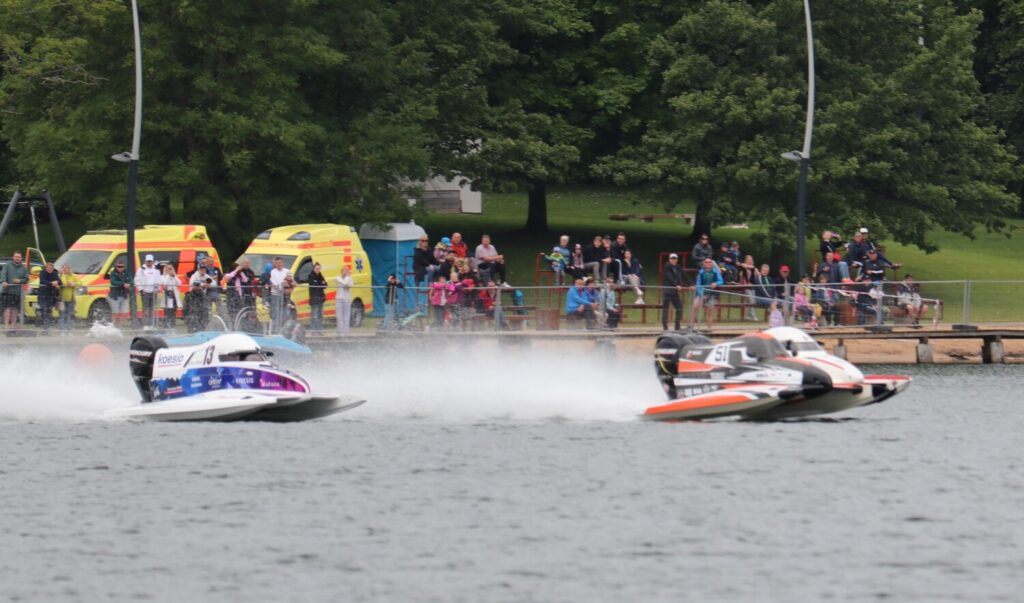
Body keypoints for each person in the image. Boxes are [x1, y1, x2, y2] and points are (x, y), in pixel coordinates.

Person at [690, 257, 723, 331]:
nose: (708, 263)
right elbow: (698, 284)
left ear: (712, 264)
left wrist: (716, 283)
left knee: (709, 311)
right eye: (706, 262)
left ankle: (709, 328)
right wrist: (701, 294)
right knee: (695, 306)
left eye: (709, 262)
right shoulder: (701, 272)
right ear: (704, 264)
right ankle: (691, 326)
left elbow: (721, 280)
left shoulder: (715, 271)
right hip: (701, 293)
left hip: (712, 294)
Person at [224, 258, 257, 329]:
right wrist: (236, 270)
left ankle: (240, 326)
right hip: (231, 294)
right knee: (231, 312)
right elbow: (227, 278)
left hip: (239, 296)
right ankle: (232, 327)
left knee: (239, 311)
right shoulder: (229, 273)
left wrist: (241, 272)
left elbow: (245, 280)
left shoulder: (240, 275)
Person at [1, 252, 28, 328]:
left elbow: (26, 279)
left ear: (21, 258)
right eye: (16, 256)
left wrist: (20, 281)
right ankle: (6, 326)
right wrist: (3, 281)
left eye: (19, 257)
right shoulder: (7, 265)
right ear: (13, 257)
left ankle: (13, 325)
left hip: (18, 292)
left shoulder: (24, 268)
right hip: (7, 291)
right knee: (7, 308)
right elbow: (3, 274)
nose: (17, 258)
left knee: (15, 309)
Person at [661, 253, 687, 331]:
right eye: (672, 258)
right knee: (666, 309)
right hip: (667, 291)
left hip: (675, 292)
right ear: (669, 259)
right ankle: (665, 327)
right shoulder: (666, 267)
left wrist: (691, 284)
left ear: (677, 260)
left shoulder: (678, 267)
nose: (673, 260)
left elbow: (684, 276)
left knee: (679, 308)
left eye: (675, 258)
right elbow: (669, 277)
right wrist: (676, 285)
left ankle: (677, 327)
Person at [135, 254, 161, 327]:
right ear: (145, 261)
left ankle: (152, 324)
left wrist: (157, 289)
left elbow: (159, 280)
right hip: (145, 292)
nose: (149, 263)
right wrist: (141, 289)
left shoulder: (156, 270)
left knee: (152, 309)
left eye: (150, 261)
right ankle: (145, 325)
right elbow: (137, 280)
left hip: (154, 292)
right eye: (148, 261)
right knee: (145, 309)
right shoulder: (141, 269)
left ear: (152, 261)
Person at [37, 261, 61, 333]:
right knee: (44, 311)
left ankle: (47, 328)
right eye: (48, 268)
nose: (49, 269)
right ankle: (44, 328)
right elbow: (42, 281)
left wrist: (57, 282)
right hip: (43, 295)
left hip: (51, 296)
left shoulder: (55, 273)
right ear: (46, 268)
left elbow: (60, 281)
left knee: (49, 312)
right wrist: (51, 283)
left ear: (53, 268)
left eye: (51, 268)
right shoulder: (42, 273)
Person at [268, 256, 290, 331]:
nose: (278, 264)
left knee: (285, 312)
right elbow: (274, 283)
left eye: (280, 262)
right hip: (275, 294)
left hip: (285, 295)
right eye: (277, 263)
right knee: (276, 312)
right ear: (275, 264)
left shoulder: (287, 271)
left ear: (282, 263)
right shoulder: (273, 272)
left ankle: (284, 328)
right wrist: (281, 285)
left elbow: (291, 282)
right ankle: (276, 328)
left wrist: (288, 287)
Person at [107, 260, 133, 326]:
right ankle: (115, 325)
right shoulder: (113, 273)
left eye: (121, 266)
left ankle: (121, 326)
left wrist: (129, 284)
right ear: (116, 267)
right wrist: (123, 284)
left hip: (124, 295)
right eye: (119, 266)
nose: (120, 268)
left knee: (124, 312)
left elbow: (131, 280)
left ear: (124, 267)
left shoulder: (127, 273)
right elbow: (113, 282)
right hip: (114, 296)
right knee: (115, 312)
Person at [58, 264, 81, 334]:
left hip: (71, 299)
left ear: (69, 269)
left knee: (70, 315)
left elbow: (80, 283)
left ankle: (69, 330)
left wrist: (74, 284)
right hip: (62, 299)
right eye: (63, 268)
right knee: (62, 315)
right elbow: (62, 283)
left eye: (66, 268)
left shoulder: (73, 276)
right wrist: (64, 276)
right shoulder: (60, 276)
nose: (65, 269)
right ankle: (62, 330)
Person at [160, 264, 183, 329]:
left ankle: (172, 325)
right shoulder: (163, 277)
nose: (170, 270)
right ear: (166, 269)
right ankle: (167, 325)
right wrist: (168, 275)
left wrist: (174, 276)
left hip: (174, 295)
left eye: (171, 268)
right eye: (168, 268)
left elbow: (179, 283)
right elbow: (165, 283)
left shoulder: (174, 276)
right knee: (167, 311)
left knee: (173, 310)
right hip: (167, 295)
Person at [308, 262, 327, 332]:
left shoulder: (320, 275)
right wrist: (321, 283)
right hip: (314, 298)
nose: (318, 270)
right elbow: (314, 285)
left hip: (320, 298)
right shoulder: (310, 275)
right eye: (316, 268)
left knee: (320, 315)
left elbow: (325, 285)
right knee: (314, 315)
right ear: (313, 268)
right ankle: (314, 330)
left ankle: (320, 330)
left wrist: (320, 284)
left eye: (319, 268)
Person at [335, 266, 354, 335]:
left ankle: (345, 331)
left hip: (347, 299)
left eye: (346, 271)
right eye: (344, 271)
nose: (345, 272)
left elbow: (349, 285)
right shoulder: (338, 278)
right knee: (339, 316)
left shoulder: (350, 278)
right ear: (341, 272)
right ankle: (340, 331)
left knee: (346, 316)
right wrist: (347, 280)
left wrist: (348, 278)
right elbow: (345, 284)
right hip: (339, 299)